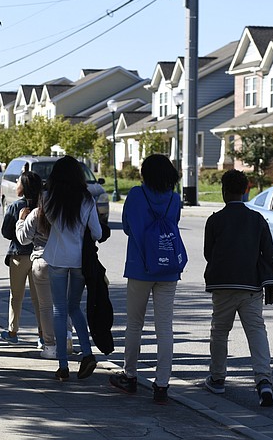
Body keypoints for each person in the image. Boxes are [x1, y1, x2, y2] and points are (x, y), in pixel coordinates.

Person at [203, 169, 273, 407]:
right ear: (246, 191)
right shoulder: (257, 220)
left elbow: (209, 254)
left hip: (223, 285)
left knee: (220, 331)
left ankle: (217, 378)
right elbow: (269, 253)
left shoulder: (214, 220)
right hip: (251, 286)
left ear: (224, 192)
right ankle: (263, 381)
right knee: (256, 330)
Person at [109, 154, 183, 404]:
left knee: (134, 324)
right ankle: (162, 384)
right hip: (168, 269)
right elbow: (173, 224)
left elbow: (128, 228)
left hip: (140, 267)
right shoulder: (175, 198)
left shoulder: (136, 195)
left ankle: (129, 375)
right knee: (165, 327)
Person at [40, 156, 102, 381]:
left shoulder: (48, 197)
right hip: (79, 261)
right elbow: (97, 233)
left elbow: (47, 222)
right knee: (75, 307)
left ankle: (63, 366)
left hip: (56, 257)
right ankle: (87, 354)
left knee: (59, 309)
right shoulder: (86, 199)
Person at [14, 171, 56, 359]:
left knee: (45, 307)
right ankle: (68, 337)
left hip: (41, 259)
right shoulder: (61, 210)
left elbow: (23, 239)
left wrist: (20, 220)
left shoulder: (35, 212)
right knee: (64, 305)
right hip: (64, 261)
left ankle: (50, 346)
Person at [0, 169, 42, 346]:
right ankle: (43, 334)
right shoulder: (43, 206)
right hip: (39, 255)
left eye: (18, 182)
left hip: (18, 255)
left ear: (23, 188)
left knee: (16, 296)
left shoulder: (15, 207)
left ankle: (13, 331)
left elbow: (6, 232)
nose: (16, 185)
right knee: (39, 297)